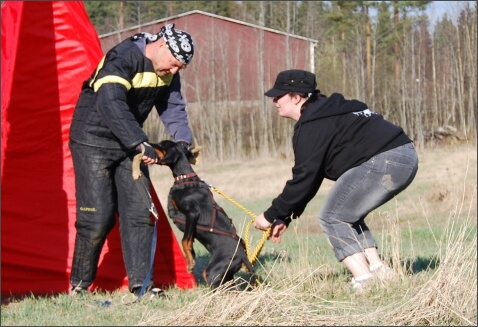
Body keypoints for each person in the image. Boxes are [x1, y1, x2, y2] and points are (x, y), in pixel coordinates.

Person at [253, 69, 418, 291]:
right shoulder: (326, 112)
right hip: (404, 157)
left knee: (332, 216)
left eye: (279, 95)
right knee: (347, 213)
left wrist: (270, 215)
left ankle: (364, 280)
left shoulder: (314, 124)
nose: (274, 101)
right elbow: (311, 179)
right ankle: (379, 271)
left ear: (297, 96)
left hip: (385, 161)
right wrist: (284, 216)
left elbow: (304, 178)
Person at [68, 23, 195, 298]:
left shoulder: (167, 71)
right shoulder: (123, 57)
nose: (173, 72)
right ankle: (79, 287)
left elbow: (173, 106)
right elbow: (110, 103)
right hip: (93, 141)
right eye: (173, 65)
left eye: (179, 70)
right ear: (161, 46)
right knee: (97, 219)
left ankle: (142, 288)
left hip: (130, 144)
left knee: (141, 213)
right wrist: (140, 142)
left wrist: (183, 141)